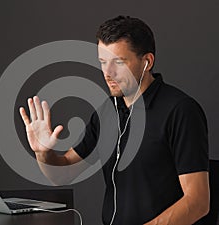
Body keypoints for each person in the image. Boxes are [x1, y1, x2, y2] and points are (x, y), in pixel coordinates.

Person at [19, 15, 210, 225]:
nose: (107, 73)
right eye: (103, 62)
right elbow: (61, 175)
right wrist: (43, 153)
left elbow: (198, 202)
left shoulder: (181, 110)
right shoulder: (107, 111)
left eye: (118, 62)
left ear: (147, 62)